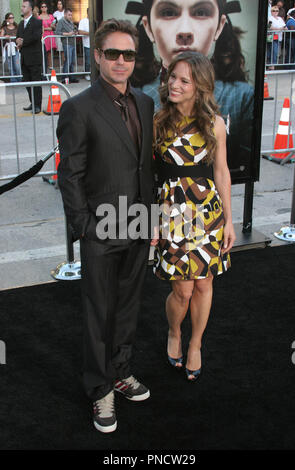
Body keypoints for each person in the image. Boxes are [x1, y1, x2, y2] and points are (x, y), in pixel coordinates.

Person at [57, 18, 155, 433]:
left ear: (135, 59)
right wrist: (84, 227)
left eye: (128, 54)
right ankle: (99, 390)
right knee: (99, 312)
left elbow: (142, 166)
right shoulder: (78, 107)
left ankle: (120, 370)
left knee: (129, 307)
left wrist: (151, 217)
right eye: (112, 53)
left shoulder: (145, 103)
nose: (120, 61)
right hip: (100, 228)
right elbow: (70, 174)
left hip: (138, 223)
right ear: (97, 56)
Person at [153, 51, 235, 381]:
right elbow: (146, 176)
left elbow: (222, 172)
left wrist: (229, 220)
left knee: (204, 285)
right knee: (182, 292)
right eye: (173, 76)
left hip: (208, 215)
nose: (174, 84)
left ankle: (196, 344)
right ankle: (175, 331)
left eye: (184, 80)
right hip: (171, 215)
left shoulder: (215, 124)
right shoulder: (158, 122)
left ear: (199, 86)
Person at [126, 0, 254, 182]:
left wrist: (226, 211)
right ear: (148, 27)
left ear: (220, 26)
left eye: (201, 12)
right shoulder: (138, 100)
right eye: (169, 12)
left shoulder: (240, 97)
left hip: (205, 204)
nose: (184, 31)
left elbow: (223, 170)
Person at [16, 0, 43, 113]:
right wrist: (17, 40)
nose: (22, 8)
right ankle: (32, 102)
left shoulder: (37, 22)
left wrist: (23, 41)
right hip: (24, 58)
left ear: (30, 8)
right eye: (22, 6)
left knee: (36, 82)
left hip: (34, 58)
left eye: (24, 6)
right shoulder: (21, 23)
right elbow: (18, 37)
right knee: (27, 81)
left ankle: (37, 105)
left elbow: (36, 37)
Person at [55, 7, 79, 83]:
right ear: (65, 14)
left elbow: (73, 30)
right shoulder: (61, 21)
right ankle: (64, 78)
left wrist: (75, 32)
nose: (70, 16)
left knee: (72, 61)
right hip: (66, 43)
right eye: (69, 15)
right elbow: (57, 32)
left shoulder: (70, 22)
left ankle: (72, 77)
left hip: (72, 42)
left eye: (71, 15)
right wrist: (68, 34)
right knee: (68, 60)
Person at [0, 12, 22, 82]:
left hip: (15, 48)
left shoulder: (17, 27)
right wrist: (4, 36)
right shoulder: (4, 28)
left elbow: (21, 36)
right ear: (7, 20)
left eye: (12, 17)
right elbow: (1, 36)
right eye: (10, 18)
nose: (12, 19)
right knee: (10, 66)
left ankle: (19, 79)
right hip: (8, 48)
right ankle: (13, 80)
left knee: (17, 65)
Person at [38, 2, 57, 74]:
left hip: (50, 35)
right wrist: (48, 28)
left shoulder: (51, 16)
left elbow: (54, 27)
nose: (44, 8)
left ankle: (51, 66)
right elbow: (40, 28)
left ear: (47, 8)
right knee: (43, 51)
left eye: (45, 6)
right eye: (42, 7)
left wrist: (49, 28)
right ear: (40, 8)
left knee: (50, 52)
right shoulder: (39, 17)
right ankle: (44, 67)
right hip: (43, 35)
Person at [267, 4, 286, 69]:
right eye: (274, 11)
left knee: (275, 51)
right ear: (271, 12)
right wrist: (279, 29)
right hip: (272, 37)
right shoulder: (270, 18)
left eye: (277, 11)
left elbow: (284, 26)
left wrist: (284, 28)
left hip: (279, 37)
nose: (275, 12)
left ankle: (271, 65)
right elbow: (269, 27)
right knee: (273, 51)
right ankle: (272, 65)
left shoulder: (280, 18)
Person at [78, 8, 90, 80]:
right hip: (87, 44)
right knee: (88, 61)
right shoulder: (83, 21)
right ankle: (87, 73)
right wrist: (90, 33)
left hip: (96, 44)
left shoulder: (95, 21)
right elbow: (80, 31)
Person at [53, 0, 65, 67]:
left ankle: (66, 63)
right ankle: (62, 64)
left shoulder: (65, 12)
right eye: (58, 4)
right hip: (59, 33)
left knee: (66, 49)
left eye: (60, 4)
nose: (59, 5)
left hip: (65, 33)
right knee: (60, 50)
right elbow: (53, 23)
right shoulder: (55, 13)